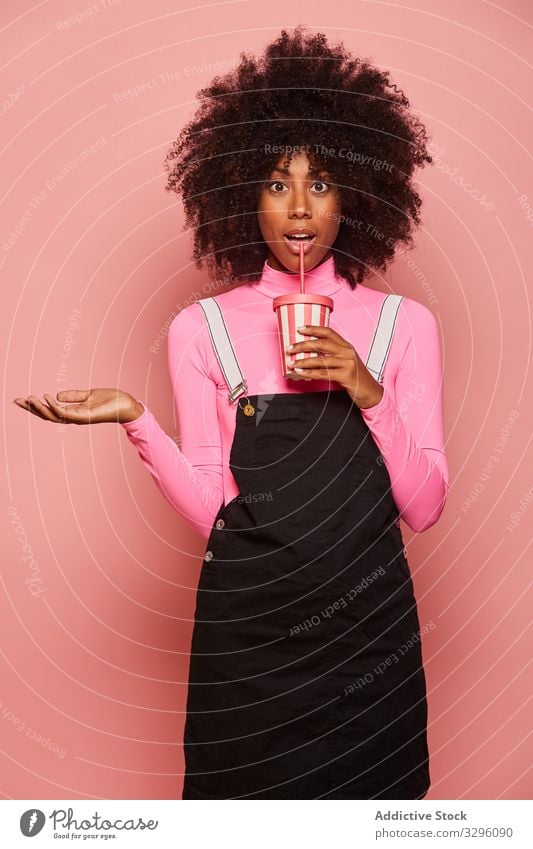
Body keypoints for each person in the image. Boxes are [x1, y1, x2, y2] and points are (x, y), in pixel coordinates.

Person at [14, 26, 449, 799]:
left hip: (367, 637)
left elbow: (423, 507)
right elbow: (218, 509)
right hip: (248, 638)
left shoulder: (401, 327)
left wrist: (366, 388)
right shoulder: (201, 329)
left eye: (320, 183)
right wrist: (137, 422)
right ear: (239, 190)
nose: (298, 209)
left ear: (359, 190)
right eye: (276, 183)